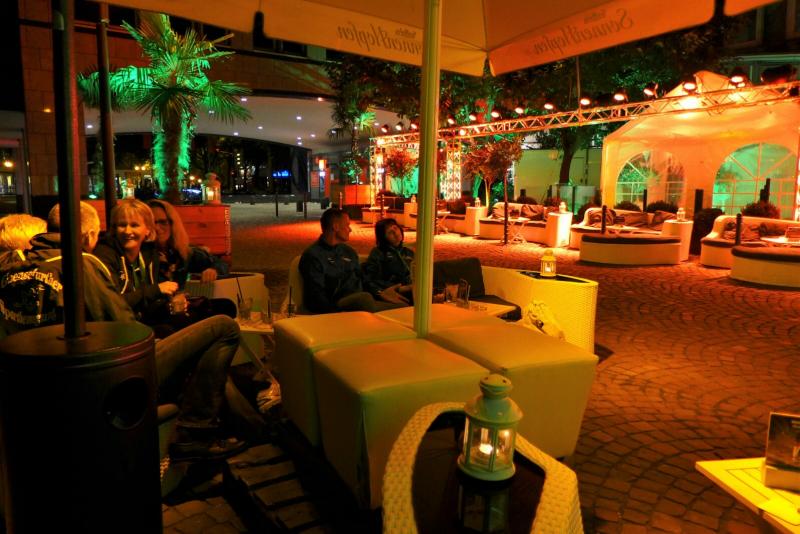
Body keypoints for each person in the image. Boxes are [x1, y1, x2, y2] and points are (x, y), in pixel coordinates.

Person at [0, 201, 246, 460]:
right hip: (104, 376)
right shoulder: (84, 263)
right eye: (120, 225)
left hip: (34, 386)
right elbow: (122, 324)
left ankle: (244, 424)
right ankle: (195, 432)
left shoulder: (12, 267)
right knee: (223, 327)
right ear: (90, 235)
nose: (126, 231)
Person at [93, 198, 178, 324]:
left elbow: (151, 302)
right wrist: (156, 290)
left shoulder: (149, 253)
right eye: (122, 225)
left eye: (134, 225)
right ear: (114, 229)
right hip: (118, 329)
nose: (127, 231)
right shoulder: (104, 254)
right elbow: (113, 304)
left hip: (144, 325)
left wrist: (171, 304)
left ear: (148, 229)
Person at [299, 208, 397, 313]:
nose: (350, 230)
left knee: (403, 303)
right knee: (364, 299)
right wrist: (336, 313)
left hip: (363, 303)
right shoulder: (313, 256)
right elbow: (315, 296)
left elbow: (363, 279)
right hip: (339, 307)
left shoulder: (348, 251)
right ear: (335, 227)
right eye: (347, 225)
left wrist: (379, 292)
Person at [147, 199, 229, 287]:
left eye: (163, 222)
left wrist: (213, 271)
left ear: (173, 224)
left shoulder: (182, 252)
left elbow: (222, 264)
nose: (157, 227)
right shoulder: (141, 256)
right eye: (152, 222)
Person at [362, 217, 414, 305]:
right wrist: (400, 288)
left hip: (414, 289)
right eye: (390, 232)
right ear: (383, 237)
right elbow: (372, 280)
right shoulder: (378, 253)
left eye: (395, 228)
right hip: (395, 291)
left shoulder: (408, 252)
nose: (395, 233)